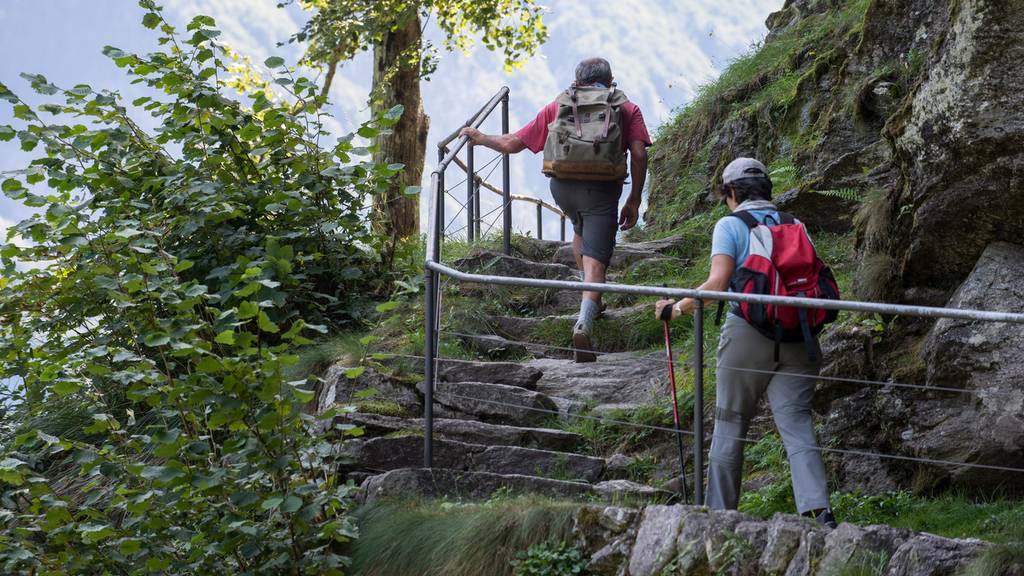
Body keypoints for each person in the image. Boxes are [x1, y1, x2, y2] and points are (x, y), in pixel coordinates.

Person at [653, 157, 837, 528]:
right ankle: (820, 514)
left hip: (748, 334)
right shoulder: (795, 225)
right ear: (768, 190)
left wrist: (677, 308)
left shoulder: (731, 225)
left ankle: (720, 518)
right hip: (799, 334)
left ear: (731, 193)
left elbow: (718, 284)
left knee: (730, 421)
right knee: (797, 423)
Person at [461, 57, 652, 362]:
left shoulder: (560, 104)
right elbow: (640, 154)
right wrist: (634, 199)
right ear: (610, 79)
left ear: (578, 80)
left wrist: (481, 138)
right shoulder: (626, 108)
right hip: (601, 190)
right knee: (596, 262)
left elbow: (513, 143)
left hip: (562, 187)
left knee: (579, 228)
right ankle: (584, 323)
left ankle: (592, 298)